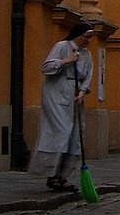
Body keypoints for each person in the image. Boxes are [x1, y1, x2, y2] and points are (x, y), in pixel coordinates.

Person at [30, 21, 96, 192]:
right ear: (77, 35)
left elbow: (88, 75)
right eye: (86, 37)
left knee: (74, 135)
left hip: (74, 96)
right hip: (57, 93)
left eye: (90, 38)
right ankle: (50, 172)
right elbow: (46, 68)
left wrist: (82, 91)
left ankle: (63, 175)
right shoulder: (62, 46)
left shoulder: (87, 54)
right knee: (61, 132)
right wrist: (66, 60)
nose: (88, 40)